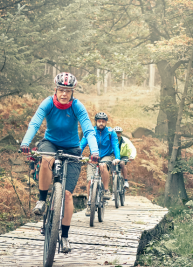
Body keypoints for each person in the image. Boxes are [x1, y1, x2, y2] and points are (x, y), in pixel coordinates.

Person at [20, 73, 99, 253]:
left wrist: (94, 152)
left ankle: (64, 237)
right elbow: (35, 123)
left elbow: (88, 129)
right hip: (51, 143)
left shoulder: (77, 106)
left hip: (72, 148)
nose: (64, 94)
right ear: (56, 90)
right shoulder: (48, 103)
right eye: (61, 90)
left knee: (68, 195)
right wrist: (25, 142)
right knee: (47, 158)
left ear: (72, 92)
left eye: (68, 91)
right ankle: (41, 200)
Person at [80, 112, 120, 207]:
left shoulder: (111, 132)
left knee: (102, 166)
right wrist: (78, 154)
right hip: (93, 157)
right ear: (96, 122)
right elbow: (82, 144)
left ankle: (106, 190)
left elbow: (115, 145)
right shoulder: (90, 132)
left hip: (106, 155)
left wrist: (117, 158)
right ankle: (89, 204)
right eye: (99, 121)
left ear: (106, 122)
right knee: (90, 181)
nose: (101, 123)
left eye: (103, 121)